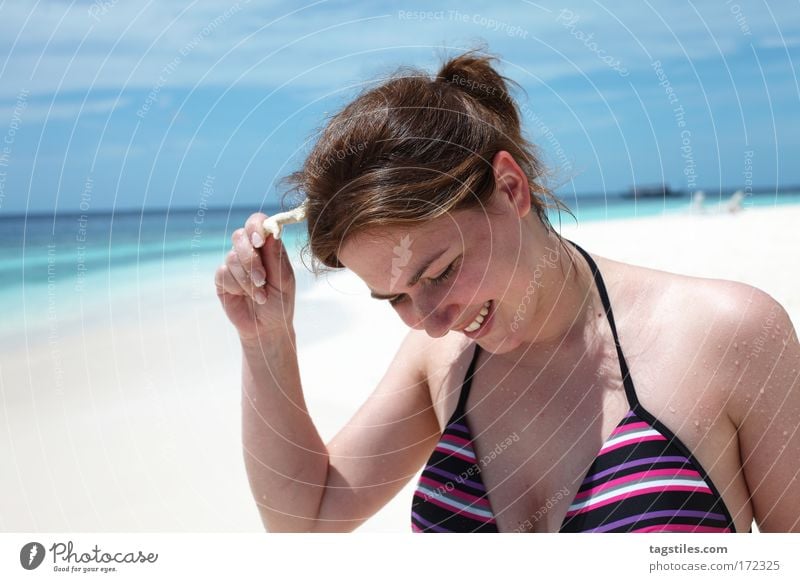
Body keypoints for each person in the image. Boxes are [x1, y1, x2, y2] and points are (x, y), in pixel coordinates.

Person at [214, 50, 800, 533]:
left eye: (438, 272)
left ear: (511, 188)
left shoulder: (725, 335)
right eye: (393, 298)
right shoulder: (439, 363)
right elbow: (304, 521)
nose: (430, 321)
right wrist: (265, 341)